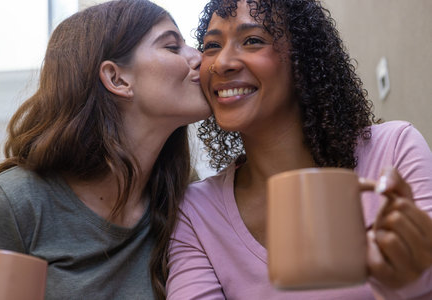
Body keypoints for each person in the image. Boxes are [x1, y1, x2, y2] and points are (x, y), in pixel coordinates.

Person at [166, 0, 432, 299]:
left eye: (252, 40)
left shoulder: (394, 150)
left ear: (303, 59)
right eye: (212, 45)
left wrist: (414, 279)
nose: (221, 62)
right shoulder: (196, 211)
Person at [0, 0, 210, 299]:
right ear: (117, 78)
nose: (200, 58)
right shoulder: (13, 204)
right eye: (172, 46)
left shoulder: (183, 192)